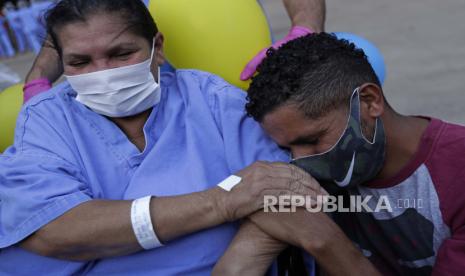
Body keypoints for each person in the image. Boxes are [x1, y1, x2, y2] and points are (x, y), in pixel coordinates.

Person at [0, 0, 328, 275]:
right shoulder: (47, 117)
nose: (103, 72)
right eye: (80, 62)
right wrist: (220, 202)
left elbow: (286, 191)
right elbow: (55, 229)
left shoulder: (210, 99)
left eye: (122, 54)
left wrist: (238, 264)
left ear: (158, 48)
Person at [213, 33, 465, 275]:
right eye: (287, 149)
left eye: (312, 139)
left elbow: (317, 237)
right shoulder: (309, 180)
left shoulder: (456, 170)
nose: (301, 162)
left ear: (369, 101)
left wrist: (324, 240)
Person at [21, 0, 326, 102]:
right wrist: (37, 78)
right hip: (147, 91)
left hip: (243, 72)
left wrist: (305, 28)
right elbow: (71, 19)